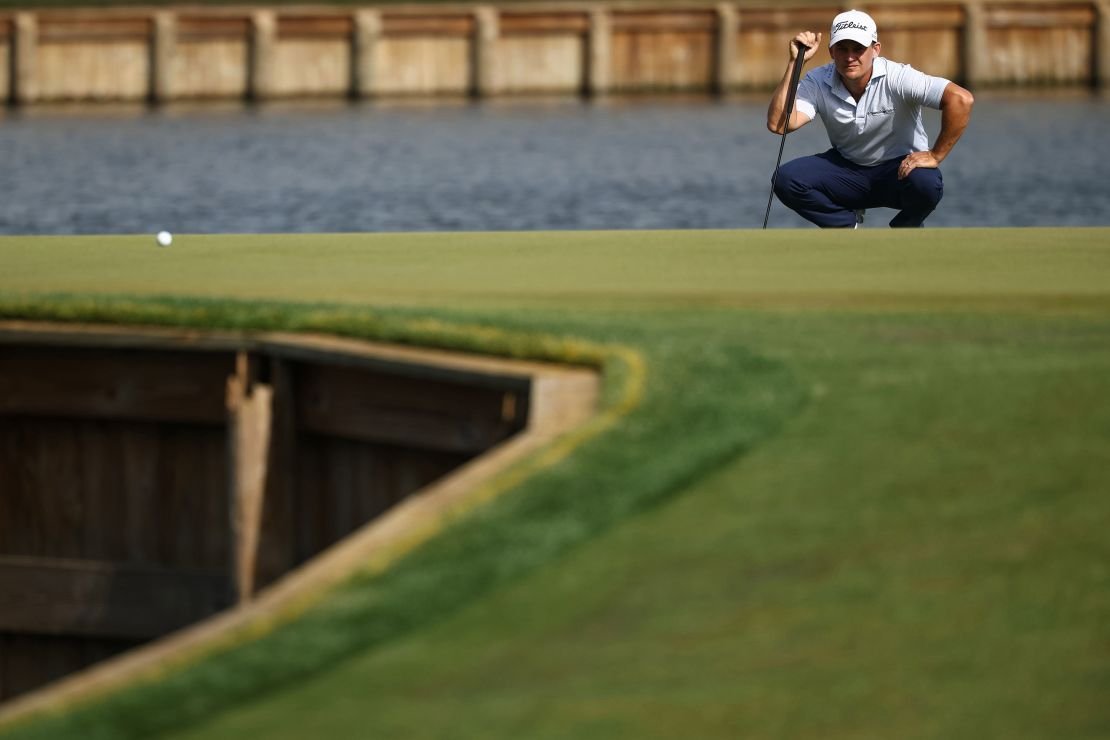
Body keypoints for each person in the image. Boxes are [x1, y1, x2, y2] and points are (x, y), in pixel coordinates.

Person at [766, 10, 974, 228]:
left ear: (875, 50)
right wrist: (794, 63)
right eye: (842, 49)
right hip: (847, 172)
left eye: (858, 49)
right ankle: (845, 225)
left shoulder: (899, 77)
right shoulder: (818, 80)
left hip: (900, 170)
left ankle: (905, 228)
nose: (850, 57)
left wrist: (935, 155)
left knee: (927, 184)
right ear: (831, 52)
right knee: (786, 179)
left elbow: (961, 100)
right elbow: (779, 124)